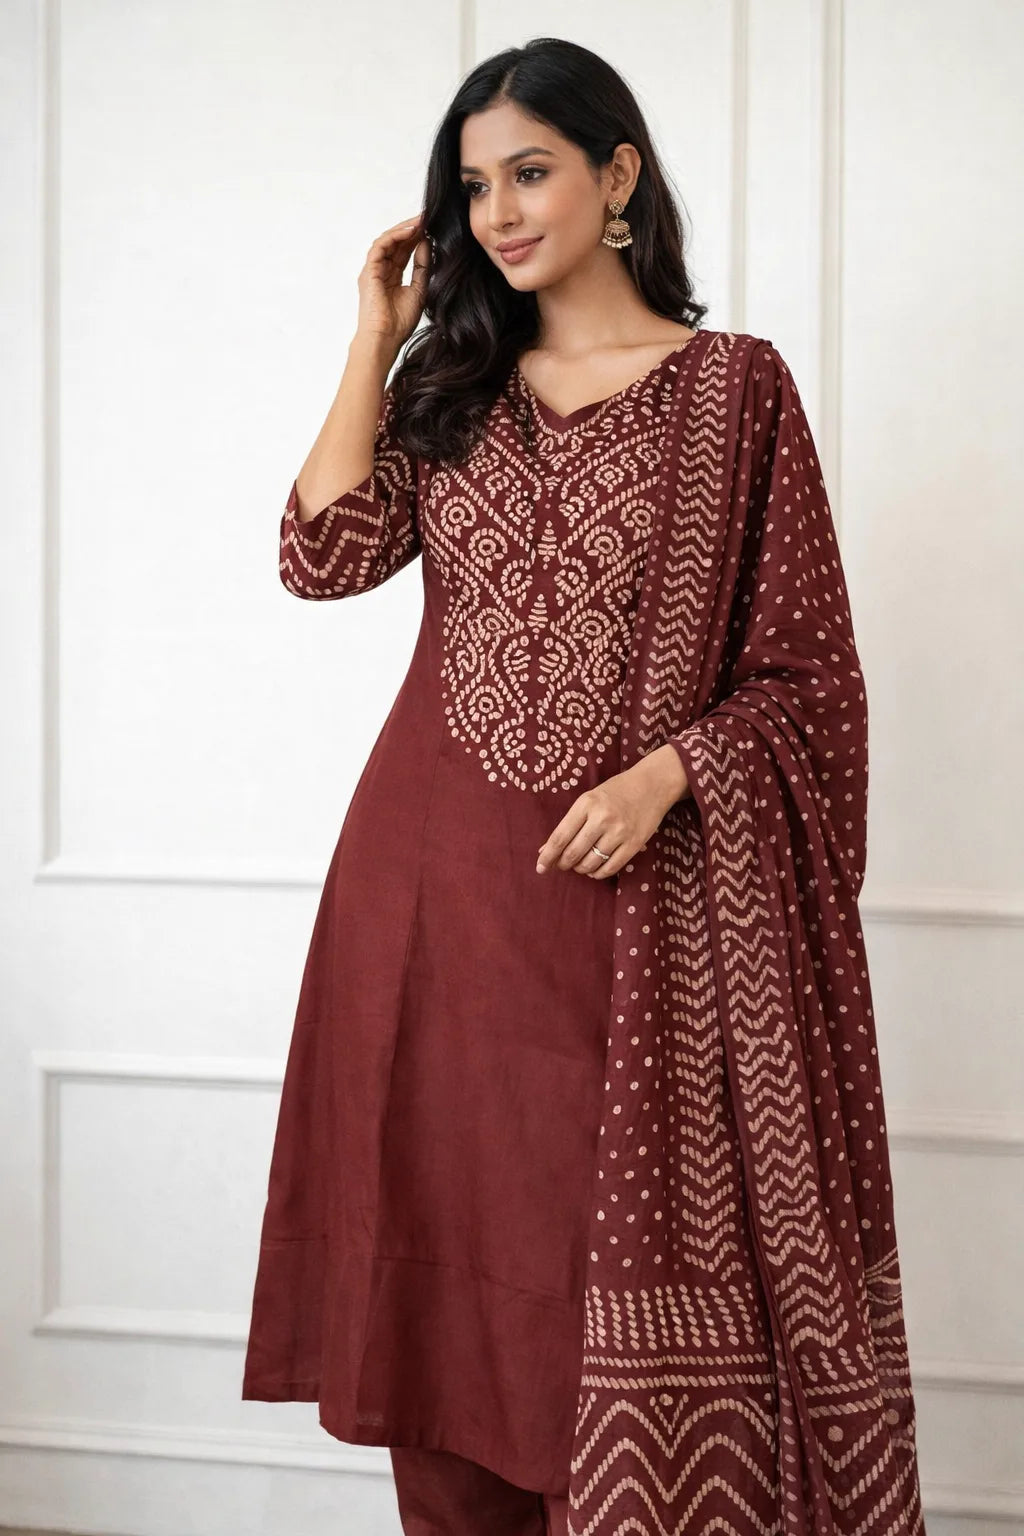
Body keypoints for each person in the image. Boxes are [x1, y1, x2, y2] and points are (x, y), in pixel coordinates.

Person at [242, 37, 927, 1536]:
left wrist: (678, 770)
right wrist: (376, 335)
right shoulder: (455, 385)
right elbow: (320, 557)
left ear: (618, 176)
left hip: (624, 929)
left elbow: (813, 681)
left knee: (572, 1286)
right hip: (419, 913)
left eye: (530, 171)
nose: (497, 209)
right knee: (441, 1297)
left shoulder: (736, 394)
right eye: (473, 183)